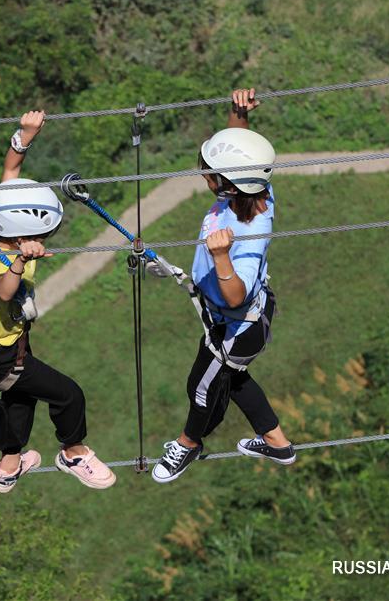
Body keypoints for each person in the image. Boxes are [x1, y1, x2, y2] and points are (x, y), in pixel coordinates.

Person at [0, 111, 116, 493]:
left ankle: (9, 465)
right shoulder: (5, 261)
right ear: (24, 234)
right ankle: (74, 452)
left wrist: (25, 136)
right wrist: (20, 261)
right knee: (68, 394)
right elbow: (5, 291)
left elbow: (10, 174)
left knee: (21, 393)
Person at [151, 88, 296, 484]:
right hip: (236, 323)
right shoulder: (253, 193)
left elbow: (237, 293)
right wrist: (239, 115)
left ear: (225, 185)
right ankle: (277, 443)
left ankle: (189, 444)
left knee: (201, 387)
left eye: (207, 172)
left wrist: (220, 259)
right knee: (231, 379)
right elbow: (240, 157)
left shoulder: (249, 230)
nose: (203, 174)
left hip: (236, 326)